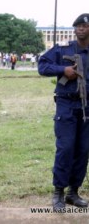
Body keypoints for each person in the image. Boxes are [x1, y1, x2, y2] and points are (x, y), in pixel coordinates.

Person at [38, 13, 89, 211]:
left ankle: (73, 192)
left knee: (83, 150)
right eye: (78, 26)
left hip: (87, 107)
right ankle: (58, 191)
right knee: (66, 148)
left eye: (85, 26)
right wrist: (63, 70)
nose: (81, 29)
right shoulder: (63, 49)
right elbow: (42, 66)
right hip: (67, 105)